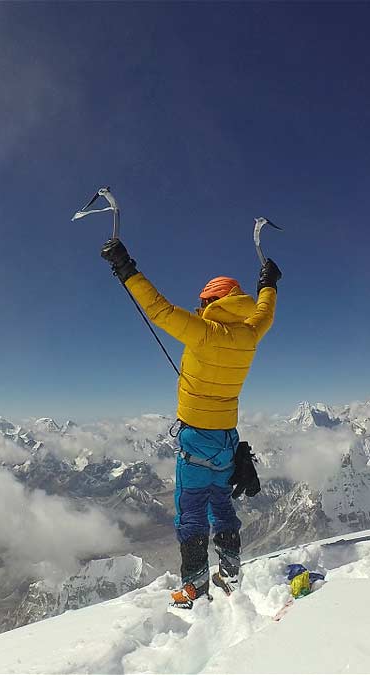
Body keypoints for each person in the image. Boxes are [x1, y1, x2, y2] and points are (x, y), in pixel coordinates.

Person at [100, 237, 279, 608]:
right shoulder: (249, 334)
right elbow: (265, 312)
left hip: (197, 437)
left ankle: (194, 588)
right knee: (221, 504)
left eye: (202, 303)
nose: (198, 309)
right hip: (228, 438)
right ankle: (230, 572)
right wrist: (268, 282)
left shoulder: (203, 332)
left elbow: (158, 309)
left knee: (192, 509)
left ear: (212, 302)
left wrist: (125, 268)